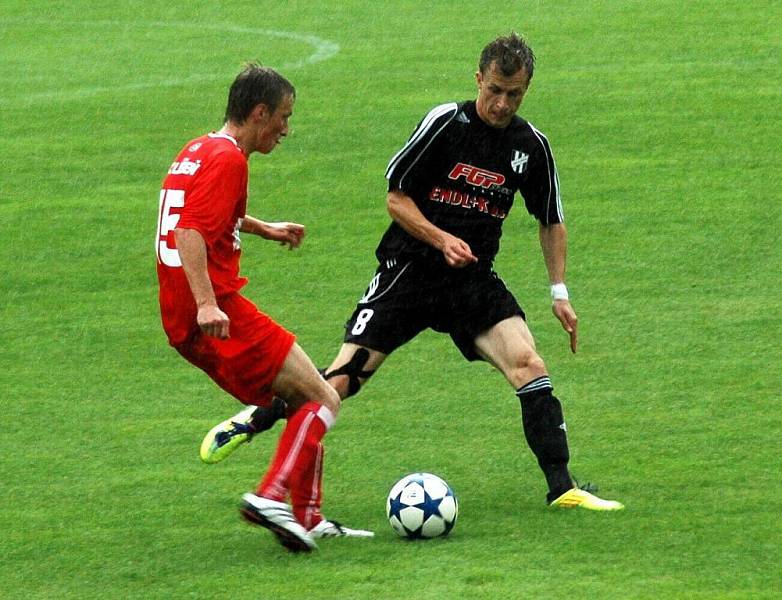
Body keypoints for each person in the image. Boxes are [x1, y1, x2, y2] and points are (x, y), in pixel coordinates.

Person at [202, 36, 623, 511]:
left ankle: (562, 488)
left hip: (471, 281)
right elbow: (396, 199)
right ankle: (255, 420)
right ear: (478, 79)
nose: (502, 103)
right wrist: (441, 238)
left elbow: (551, 218)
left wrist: (559, 291)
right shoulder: (445, 123)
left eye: (515, 94)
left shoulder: (531, 146)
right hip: (410, 272)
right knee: (338, 384)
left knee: (529, 366)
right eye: (496, 90)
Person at [156, 64, 373, 553]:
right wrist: (209, 304)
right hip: (215, 314)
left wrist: (264, 228)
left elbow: (208, 212)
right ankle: (271, 496)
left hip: (180, 318)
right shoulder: (230, 160)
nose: (286, 129)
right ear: (259, 113)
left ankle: (309, 518)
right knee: (323, 398)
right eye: (283, 117)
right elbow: (189, 230)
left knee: (302, 399)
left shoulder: (198, 150)